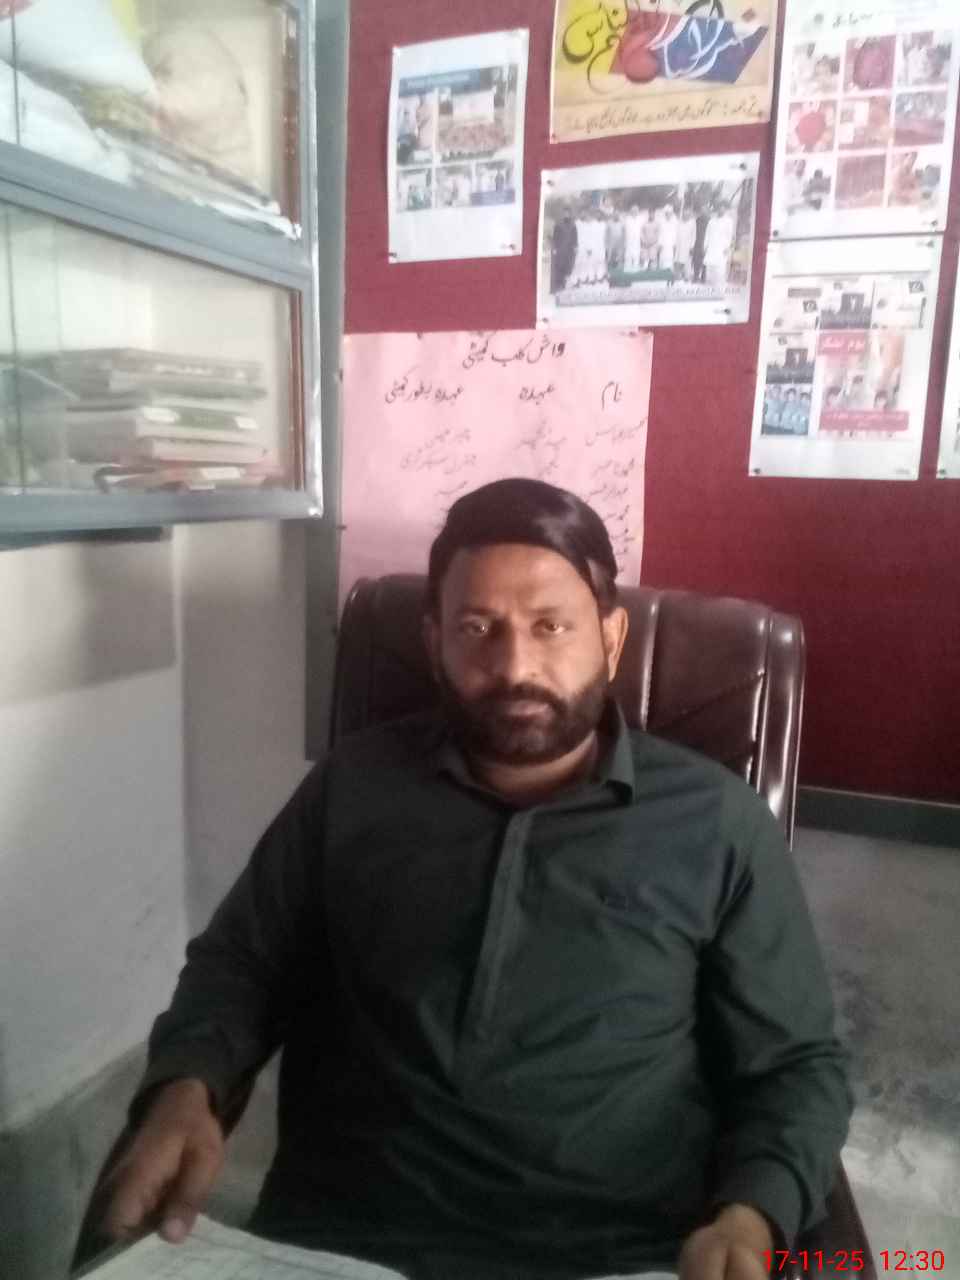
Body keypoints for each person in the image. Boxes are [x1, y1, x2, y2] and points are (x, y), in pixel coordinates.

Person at [98, 479, 852, 1280]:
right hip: (340, 1244)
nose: (514, 666)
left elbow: (796, 1063)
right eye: (476, 628)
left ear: (611, 637)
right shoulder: (352, 787)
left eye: (550, 626)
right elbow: (242, 965)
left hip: (610, 1254)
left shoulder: (717, 823)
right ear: (434, 642)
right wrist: (187, 1087)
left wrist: (751, 1213)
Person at [703, 202, 735, 286]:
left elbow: (730, 235)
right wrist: (705, 246)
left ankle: (719, 287)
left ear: (725, 209)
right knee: (710, 268)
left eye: (723, 208)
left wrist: (727, 247)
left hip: (722, 248)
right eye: (719, 207)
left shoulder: (728, 221)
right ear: (717, 209)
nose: (721, 209)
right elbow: (707, 234)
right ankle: (709, 286)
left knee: (720, 269)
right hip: (711, 247)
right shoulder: (711, 221)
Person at [550, 205, 578, 294]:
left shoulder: (573, 225)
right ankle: (558, 287)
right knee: (559, 268)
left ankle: (566, 286)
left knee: (568, 268)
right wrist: (554, 248)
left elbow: (575, 237)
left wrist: (575, 247)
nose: (566, 214)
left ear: (570, 214)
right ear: (563, 214)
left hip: (569, 250)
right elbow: (555, 237)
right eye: (565, 213)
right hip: (560, 249)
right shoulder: (558, 224)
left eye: (568, 213)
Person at [623, 203, 645, 273]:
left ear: (638, 211)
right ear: (630, 211)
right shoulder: (627, 219)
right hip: (629, 240)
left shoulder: (641, 219)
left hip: (637, 240)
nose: (634, 212)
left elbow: (642, 230)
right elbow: (624, 230)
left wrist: (642, 239)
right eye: (633, 210)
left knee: (636, 255)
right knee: (628, 255)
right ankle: (627, 269)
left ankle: (635, 269)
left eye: (636, 210)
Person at [658, 203, 679, 274]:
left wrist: (675, 244)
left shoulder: (675, 222)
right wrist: (660, 243)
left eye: (669, 213)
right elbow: (660, 233)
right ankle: (662, 273)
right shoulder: (662, 221)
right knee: (662, 259)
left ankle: (668, 273)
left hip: (671, 244)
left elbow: (676, 234)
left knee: (669, 260)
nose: (668, 214)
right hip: (663, 244)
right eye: (666, 213)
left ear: (671, 213)